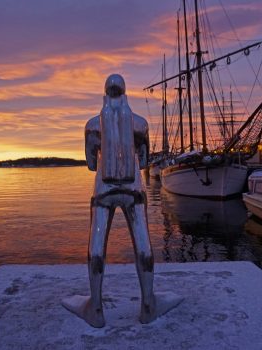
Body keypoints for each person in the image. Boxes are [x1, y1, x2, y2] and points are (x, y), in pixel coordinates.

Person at [62, 74, 182, 328]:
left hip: (103, 191)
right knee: (143, 242)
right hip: (134, 189)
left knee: (97, 243)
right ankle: (148, 305)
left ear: (104, 93)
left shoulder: (92, 125)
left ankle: (95, 308)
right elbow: (146, 160)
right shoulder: (140, 124)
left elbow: (92, 165)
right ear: (125, 93)